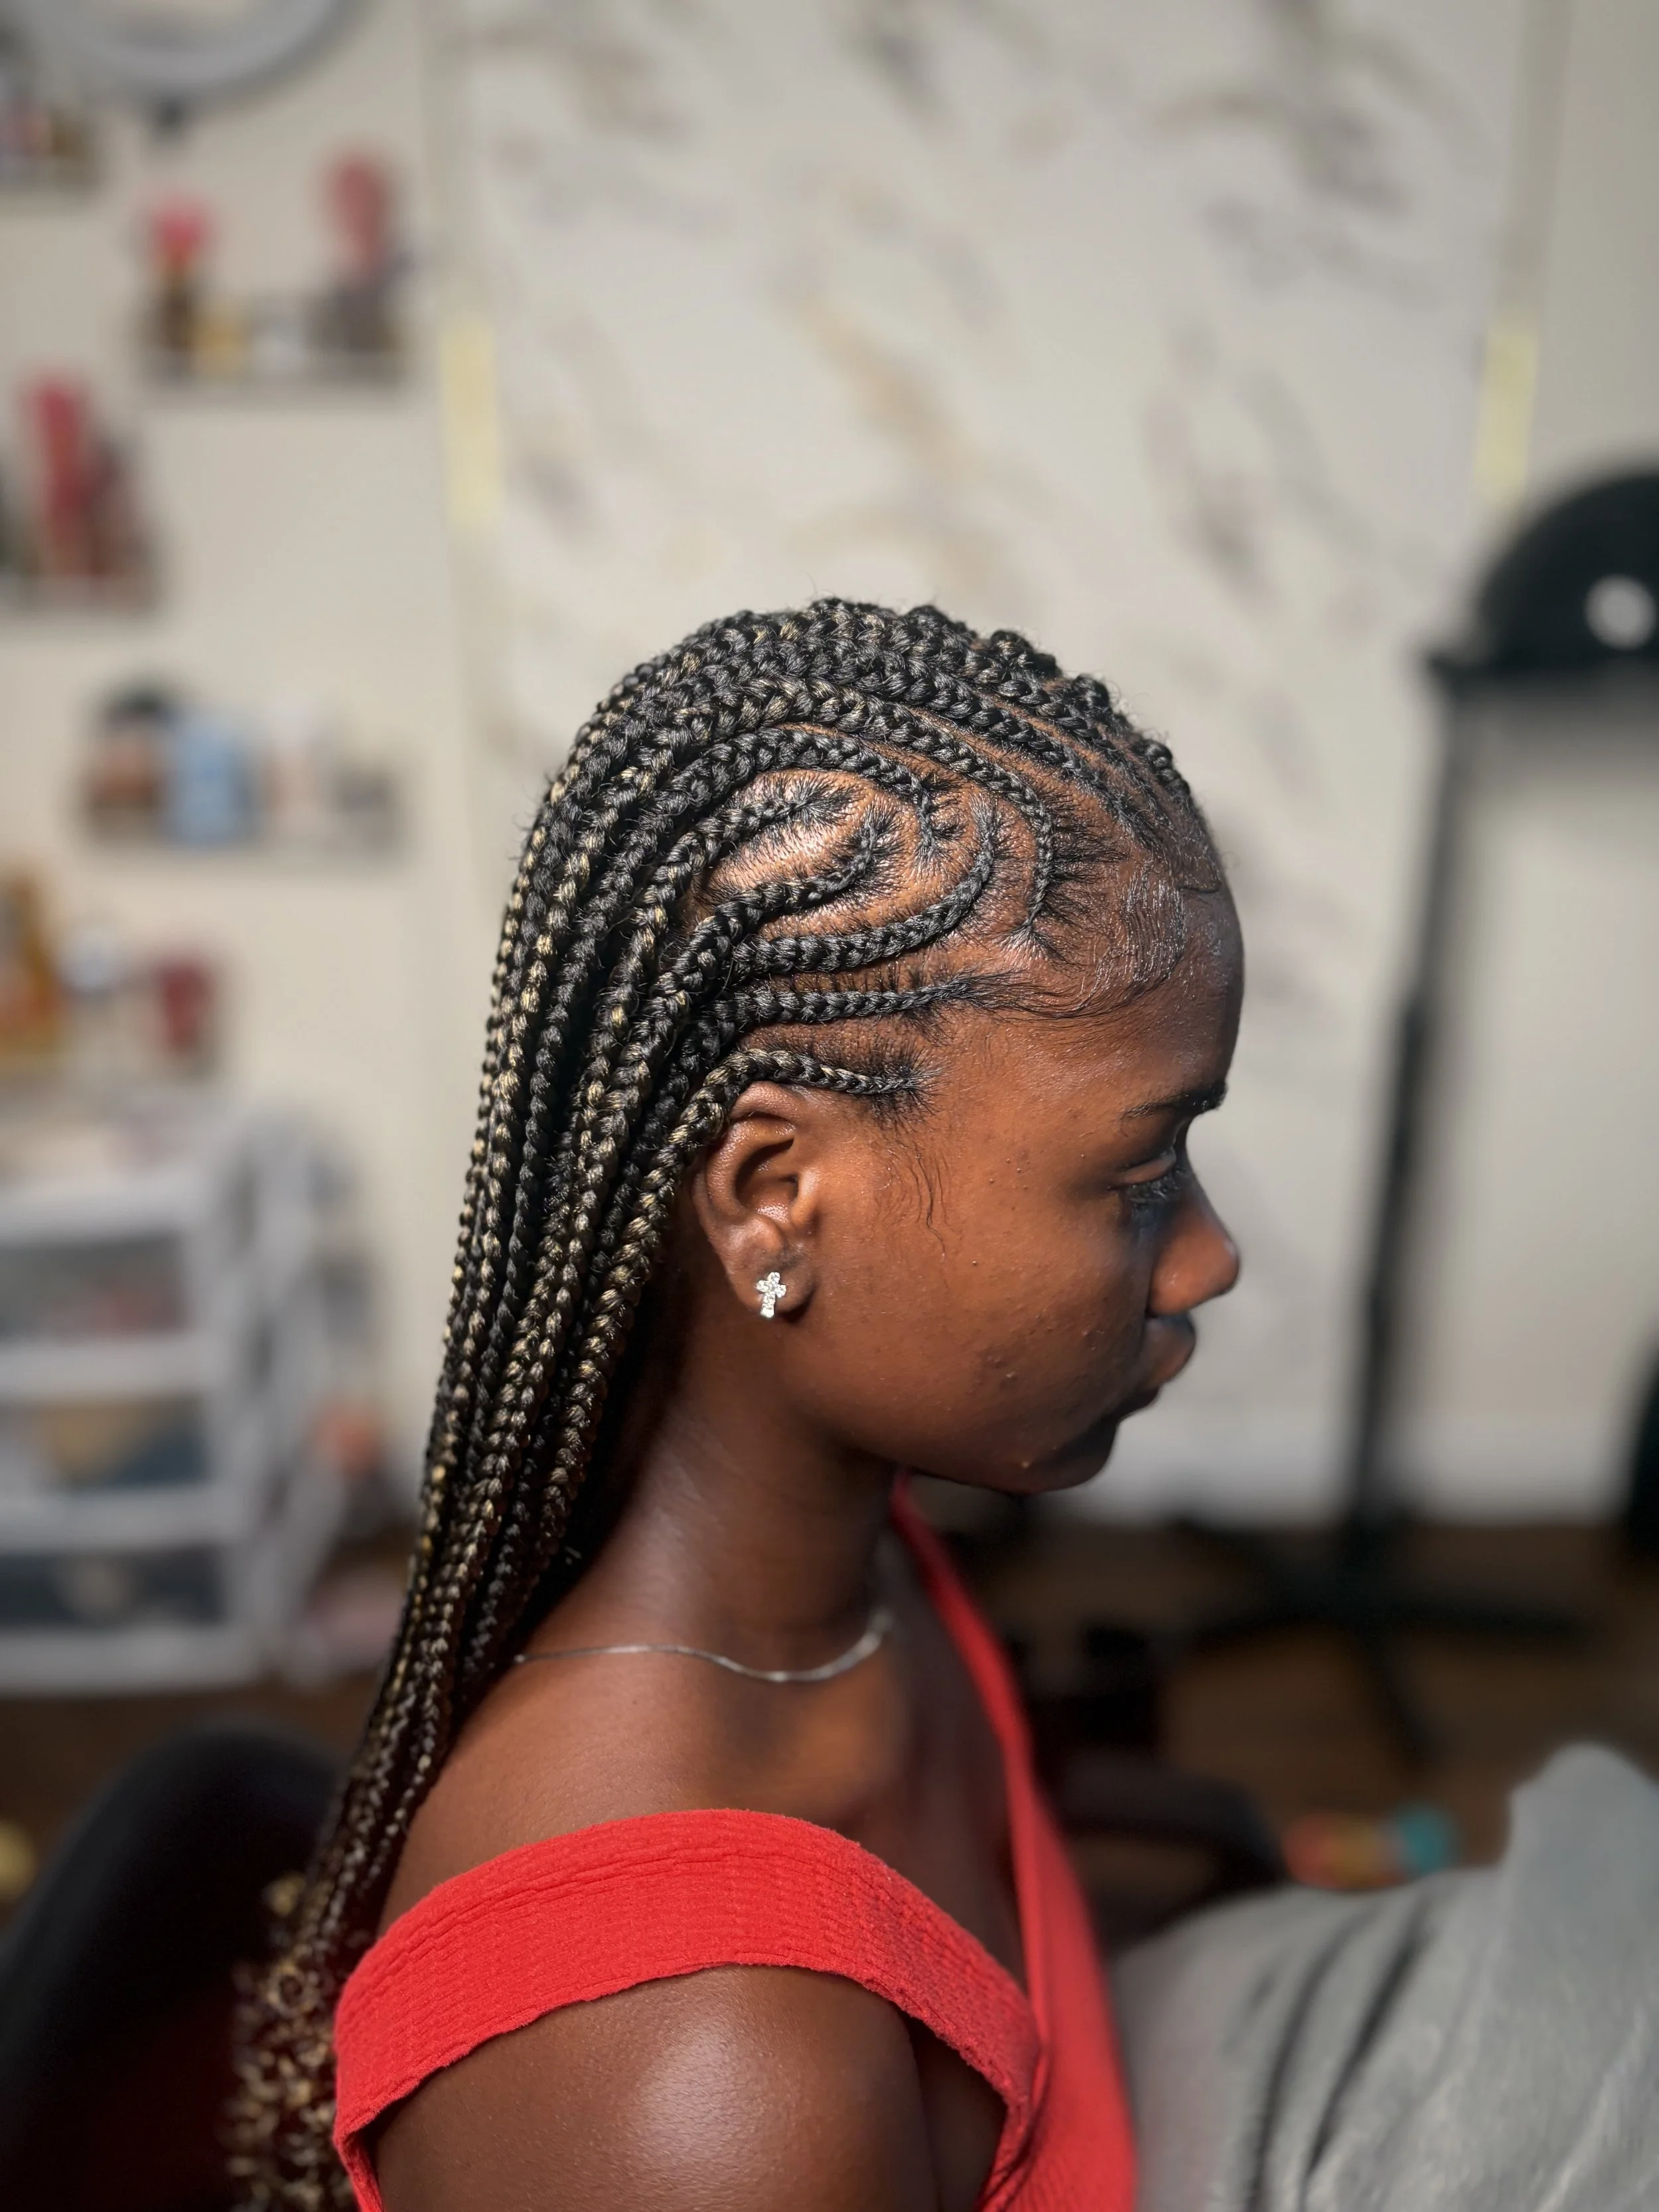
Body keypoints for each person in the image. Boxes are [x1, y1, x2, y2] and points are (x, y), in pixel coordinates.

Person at [231, 599, 1242, 2211]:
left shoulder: (840, 1543)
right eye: (1135, 1177)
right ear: (773, 1196)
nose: (1205, 1258)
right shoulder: (702, 2085)